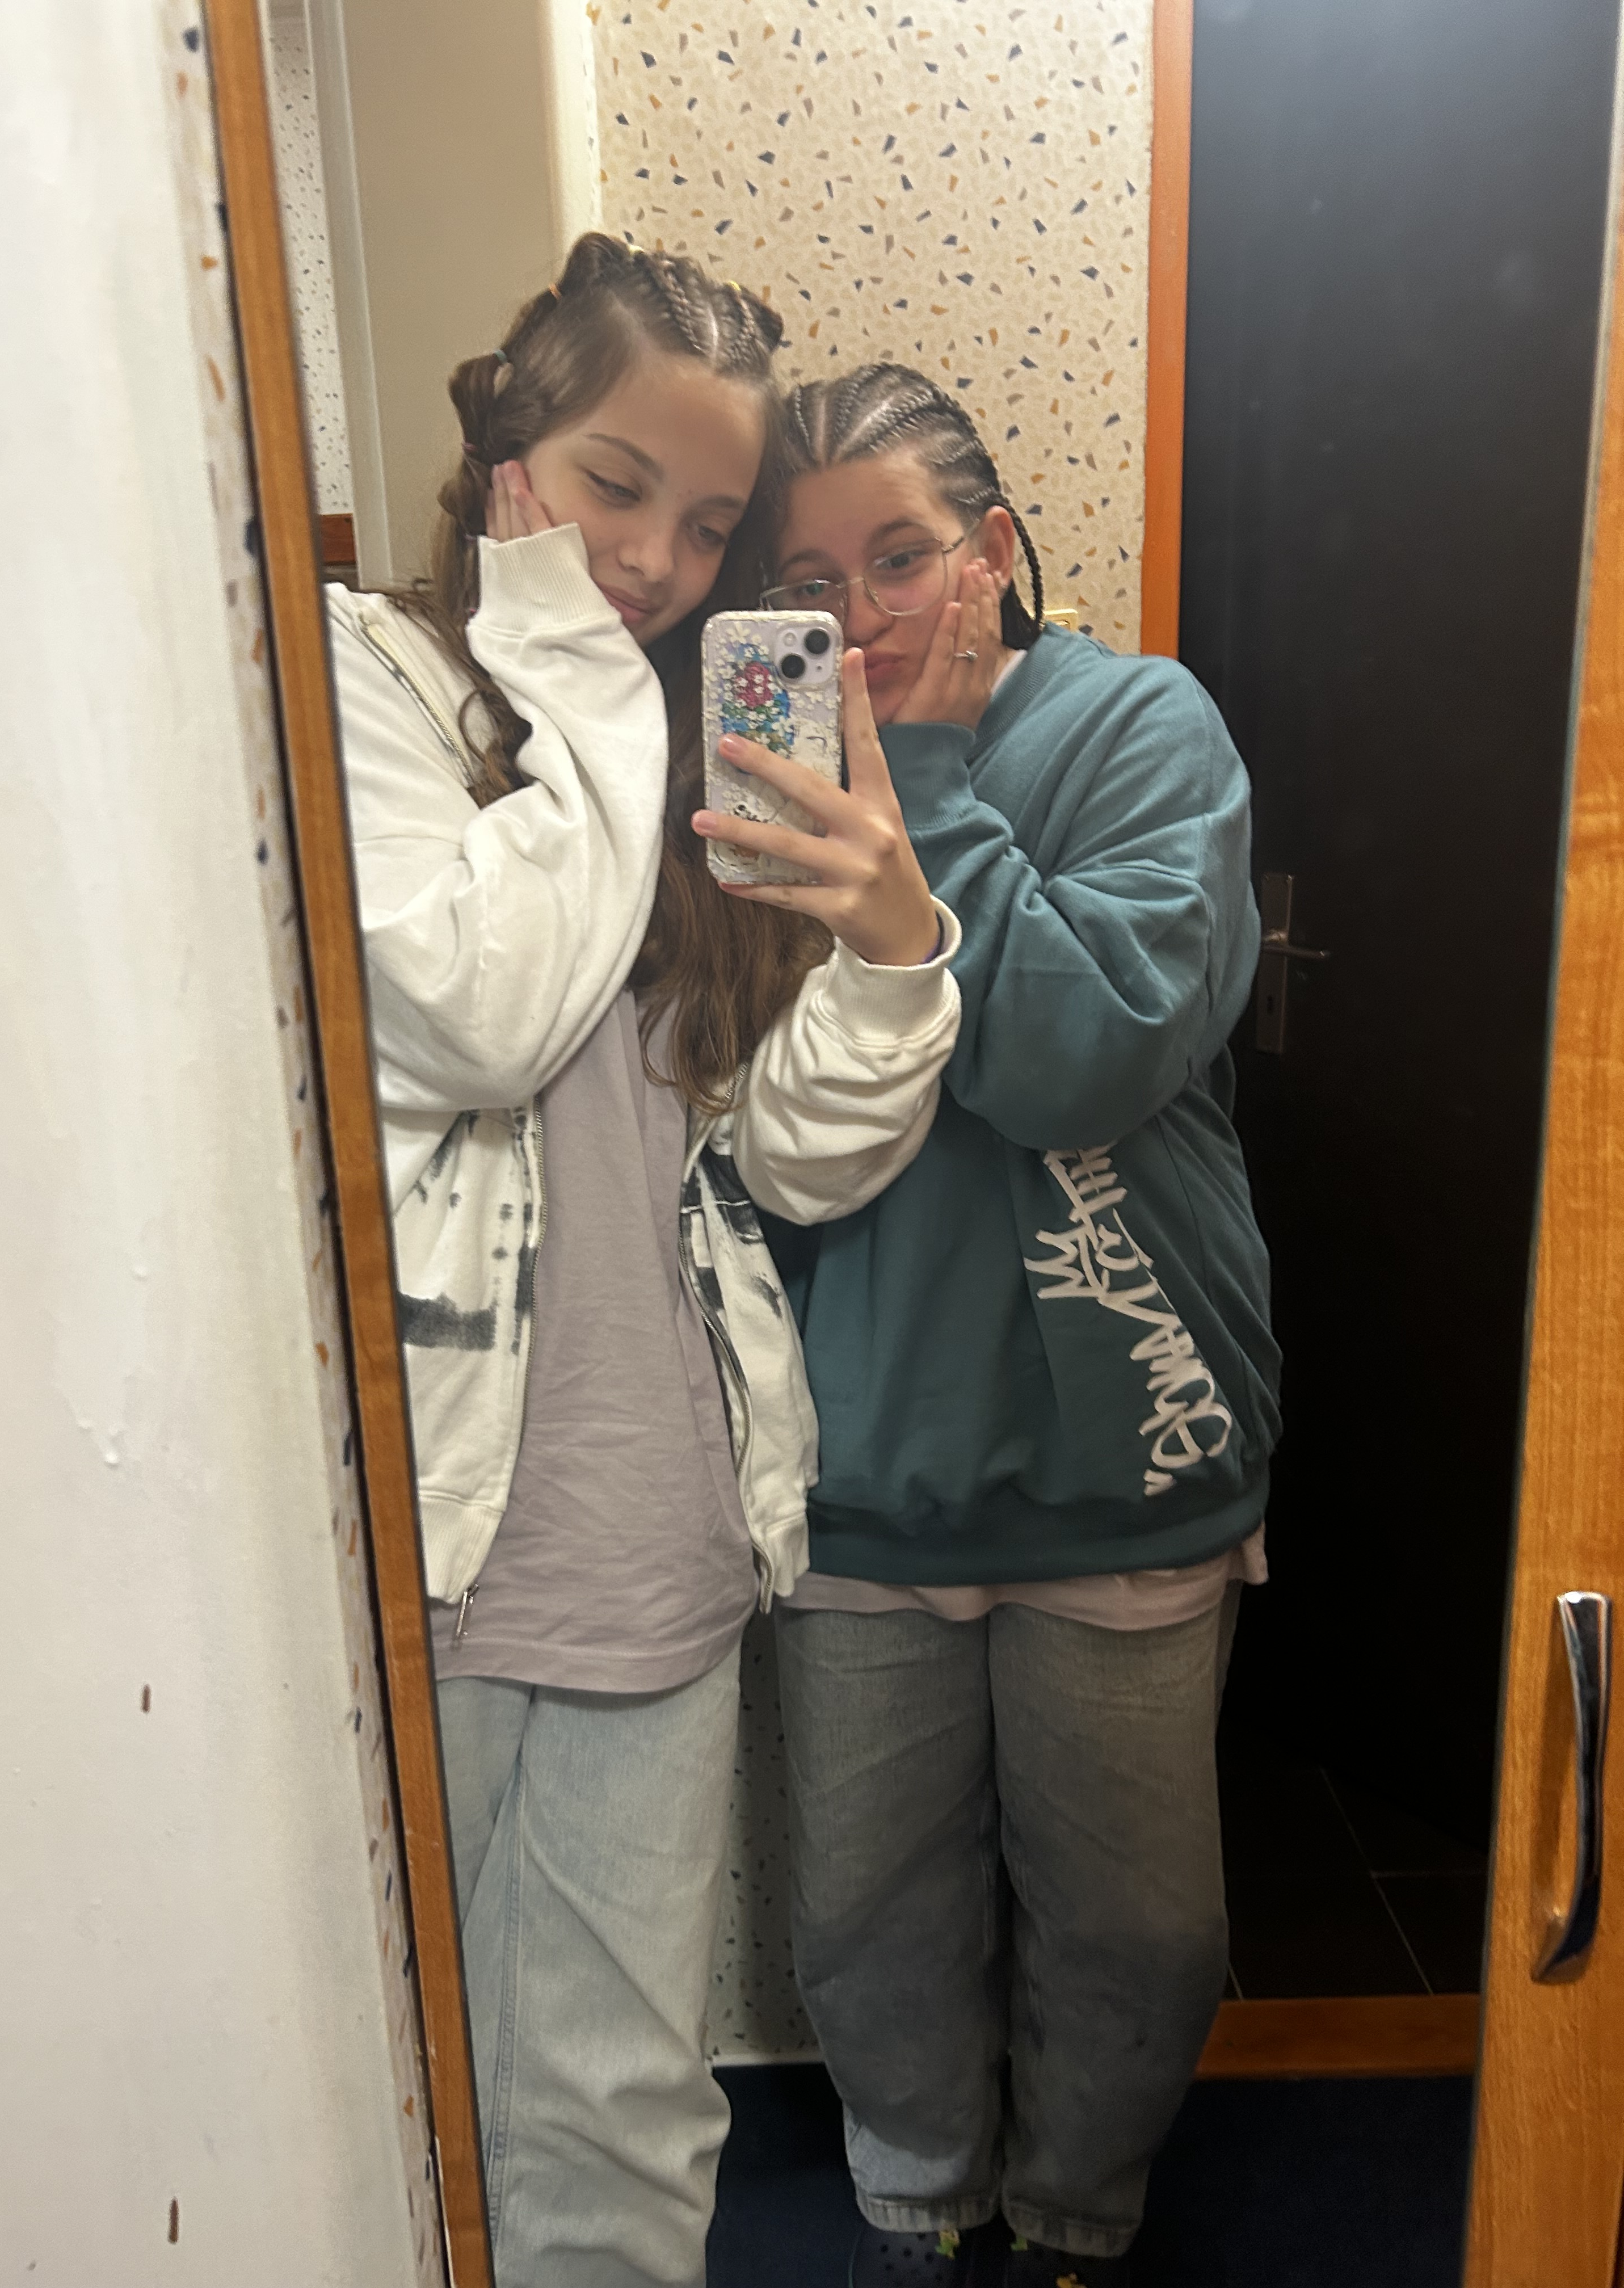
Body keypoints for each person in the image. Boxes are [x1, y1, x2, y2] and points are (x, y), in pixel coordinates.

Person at [325, 251, 962, 2288]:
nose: (657, 567)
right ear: (508, 438)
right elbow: (474, 1008)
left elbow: (791, 1155)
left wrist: (893, 946)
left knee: (623, 2110)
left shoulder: (683, 759)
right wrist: (573, 671)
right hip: (428, 1541)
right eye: (615, 487)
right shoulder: (364, 680)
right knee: (364, 2102)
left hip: (659, 1528)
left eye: (705, 528)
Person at [693, 364, 1281, 2288]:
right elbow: (740, 1103)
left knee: (1140, 1927)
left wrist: (934, 784)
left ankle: (1082, 2216)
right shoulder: (769, 770)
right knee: (868, 1910)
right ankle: (918, 2199)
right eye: (806, 581)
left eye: (899, 558)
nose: (857, 615)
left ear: (996, 553)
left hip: (1125, 1432)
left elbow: (1076, 1057)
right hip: (864, 1446)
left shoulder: (1140, 726)